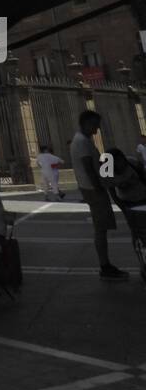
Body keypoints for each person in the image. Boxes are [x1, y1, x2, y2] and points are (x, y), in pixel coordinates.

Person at [69, 111, 127, 280]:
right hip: (93, 190)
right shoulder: (81, 142)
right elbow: (88, 167)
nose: (97, 129)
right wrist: (100, 187)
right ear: (86, 123)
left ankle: (106, 264)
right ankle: (105, 266)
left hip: (91, 188)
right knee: (100, 229)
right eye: (95, 124)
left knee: (101, 228)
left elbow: (95, 163)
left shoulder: (83, 140)